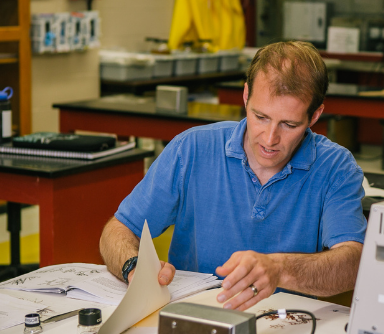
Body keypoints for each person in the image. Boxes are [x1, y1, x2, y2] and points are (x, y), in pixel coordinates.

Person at [99, 41, 367, 311]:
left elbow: (353, 263)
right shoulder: (192, 149)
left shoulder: (336, 168)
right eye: (260, 117)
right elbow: (118, 230)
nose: (270, 139)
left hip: (283, 328)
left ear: (315, 115)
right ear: (246, 95)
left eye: (289, 124)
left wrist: (279, 270)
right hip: (193, 318)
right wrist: (134, 267)